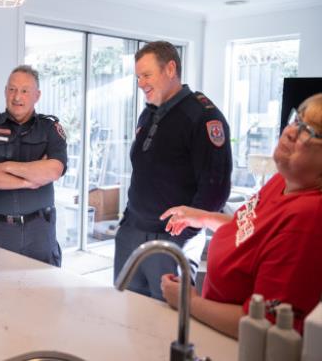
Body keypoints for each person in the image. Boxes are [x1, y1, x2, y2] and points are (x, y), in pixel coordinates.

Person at [160, 93, 322, 337]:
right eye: (296, 120)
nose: (290, 132)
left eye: (308, 132)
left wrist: (188, 302)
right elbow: (252, 230)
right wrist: (201, 217)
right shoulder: (283, 180)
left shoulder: (308, 218)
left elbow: (263, 325)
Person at [113, 41, 232, 300]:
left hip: (170, 241)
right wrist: (127, 225)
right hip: (131, 233)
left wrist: (183, 235)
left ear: (170, 69)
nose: (141, 83)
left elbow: (215, 189)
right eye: (138, 77)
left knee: (166, 324)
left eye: (146, 75)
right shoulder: (149, 114)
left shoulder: (202, 116)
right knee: (124, 314)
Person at [0, 64, 67, 267]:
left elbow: (54, 169)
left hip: (40, 230)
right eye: (12, 89)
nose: (17, 97)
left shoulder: (50, 129)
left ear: (37, 95)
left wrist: (6, 166)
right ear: (5, 91)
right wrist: (29, 180)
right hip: (0, 230)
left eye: (24, 91)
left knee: (44, 292)